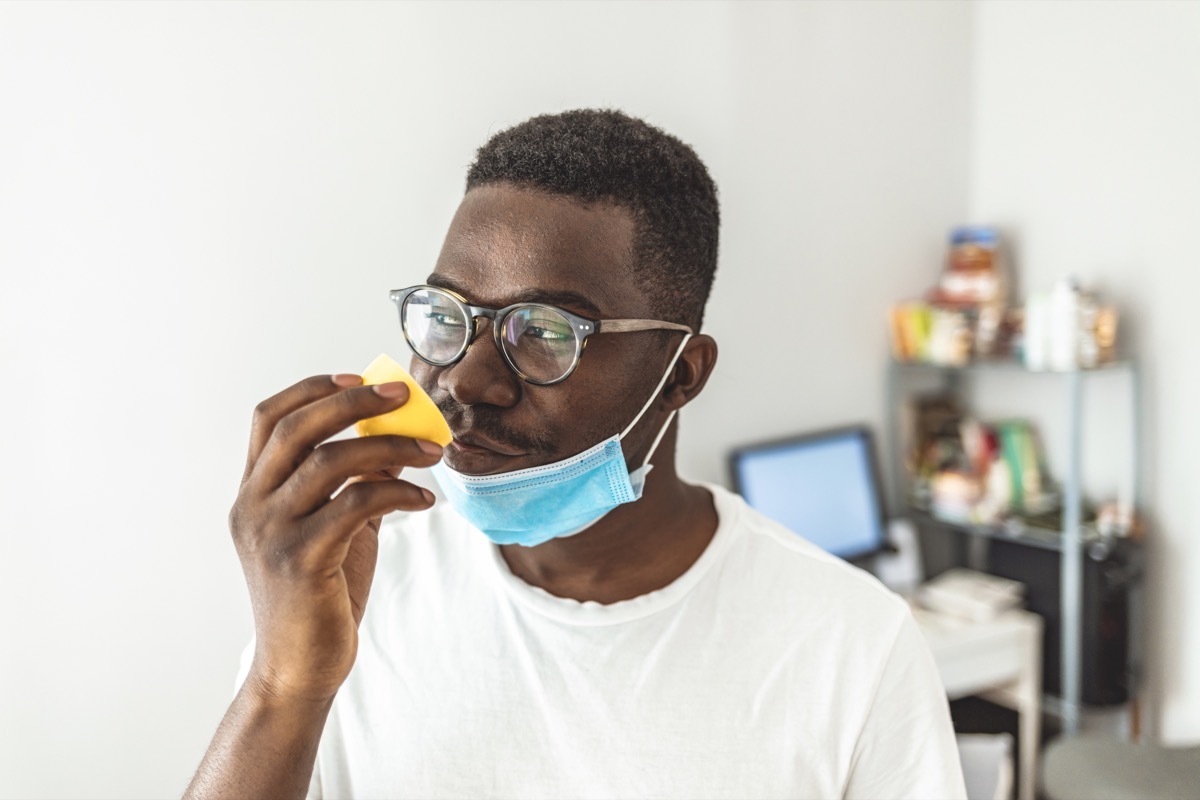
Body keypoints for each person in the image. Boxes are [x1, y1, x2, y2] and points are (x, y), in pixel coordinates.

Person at [185, 109, 966, 799]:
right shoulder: (348, 588)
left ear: (681, 374)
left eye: (547, 332)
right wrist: (282, 689)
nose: (469, 379)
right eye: (448, 316)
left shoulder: (852, 645)